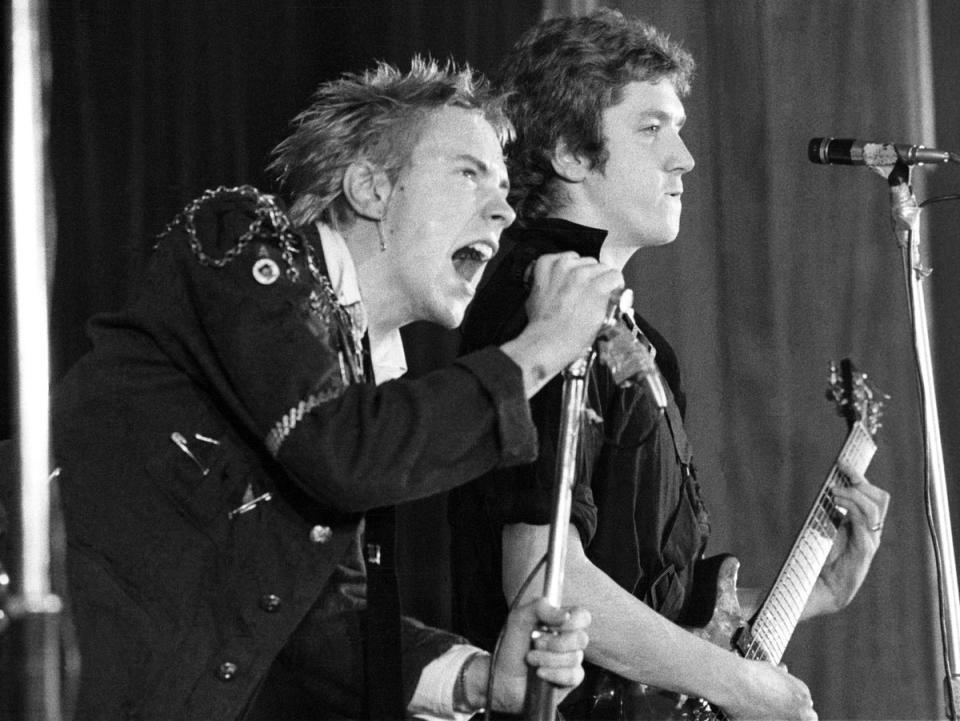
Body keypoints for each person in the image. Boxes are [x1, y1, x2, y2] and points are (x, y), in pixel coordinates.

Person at [51, 58, 627, 720]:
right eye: (469, 175)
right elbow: (340, 450)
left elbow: (324, 628)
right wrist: (540, 346)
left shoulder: (366, 385)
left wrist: (479, 677)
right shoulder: (240, 240)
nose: (501, 211)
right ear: (370, 189)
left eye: (503, 190)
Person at [447, 10, 891, 721]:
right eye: (652, 129)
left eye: (679, 129)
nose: (684, 157)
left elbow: (649, 600)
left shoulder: (640, 334)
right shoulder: (545, 298)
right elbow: (548, 576)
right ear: (568, 151)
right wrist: (742, 685)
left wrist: (818, 590)